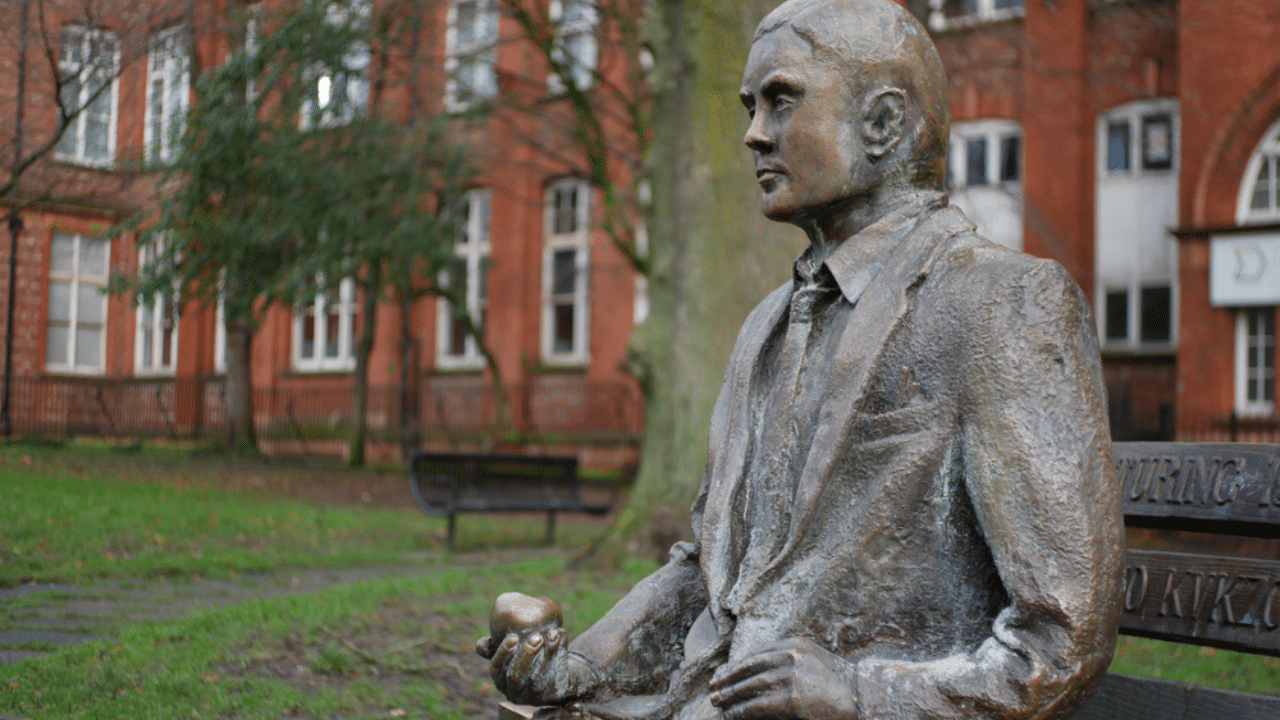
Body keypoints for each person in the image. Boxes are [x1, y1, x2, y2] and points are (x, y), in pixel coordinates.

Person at [478, 1, 1124, 718]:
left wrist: (857, 695)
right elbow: (710, 572)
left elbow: (1064, 639)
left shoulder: (1002, 303)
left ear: (880, 124)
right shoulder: (766, 324)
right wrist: (573, 669)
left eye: (781, 102)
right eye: (750, 107)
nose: (754, 134)